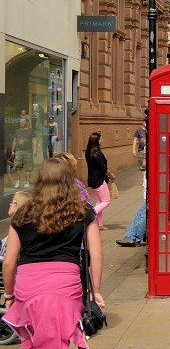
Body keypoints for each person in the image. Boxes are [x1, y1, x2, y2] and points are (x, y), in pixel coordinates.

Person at [1, 158, 105, 348]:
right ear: (68, 181)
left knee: (36, 335)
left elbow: (9, 262)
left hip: (28, 284)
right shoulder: (83, 211)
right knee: (59, 337)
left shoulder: (23, 213)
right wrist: (96, 292)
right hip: (65, 284)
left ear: (40, 181)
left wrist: (9, 296)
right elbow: (96, 253)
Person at [85, 131, 111, 231]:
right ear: (96, 141)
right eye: (100, 139)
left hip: (92, 180)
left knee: (99, 201)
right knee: (106, 201)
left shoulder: (88, 152)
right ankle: (90, 215)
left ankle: (99, 224)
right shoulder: (97, 153)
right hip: (99, 180)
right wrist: (111, 175)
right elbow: (103, 168)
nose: (102, 141)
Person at [0, 191, 31, 262]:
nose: (10, 203)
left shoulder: (20, 228)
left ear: (20, 206)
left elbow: (11, 259)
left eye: (13, 202)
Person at [11, 117, 37, 189]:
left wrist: (34, 150)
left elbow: (35, 140)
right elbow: (15, 141)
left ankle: (27, 182)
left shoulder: (30, 131)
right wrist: (13, 150)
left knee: (28, 167)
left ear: (26, 123)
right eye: (20, 122)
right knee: (17, 166)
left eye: (23, 122)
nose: (21, 123)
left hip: (28, 151)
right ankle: (18, 181)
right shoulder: (17, 131)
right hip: (19, 151)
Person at [132, 120, 147, 188]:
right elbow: (135, 140)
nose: (146, 123)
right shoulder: (139, 131)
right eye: (145, 122)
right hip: (141, 150)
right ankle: (144, 180)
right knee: (142, 166)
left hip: (149, 150)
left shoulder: (150, 130)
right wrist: (133, 150)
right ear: (142, 122)